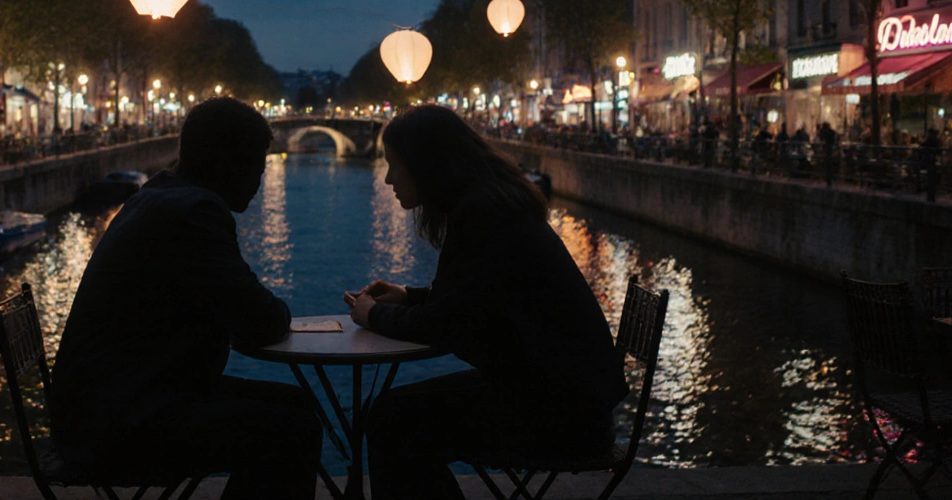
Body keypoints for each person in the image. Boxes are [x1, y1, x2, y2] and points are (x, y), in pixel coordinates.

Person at [349, 104, 628, 500]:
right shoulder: (495, 208)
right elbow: (478, 301)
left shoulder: (481, 216)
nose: (389, 178)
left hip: (559, 416)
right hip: (571, 401)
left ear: (427, 166)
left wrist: (374, 314)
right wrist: (410, 297)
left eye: (395, 165)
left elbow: (446, 326)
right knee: (395, 415)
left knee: (390, 420)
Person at [50, 98, 321, 499]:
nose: (258, 183)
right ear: (228, 163)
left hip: (105, 402)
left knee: (295, 406)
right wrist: (273, 309)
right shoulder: (195, 213)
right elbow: (259, 319)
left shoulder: (157, 196)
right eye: (256, 168)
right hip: (121, 422)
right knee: (292, 428)